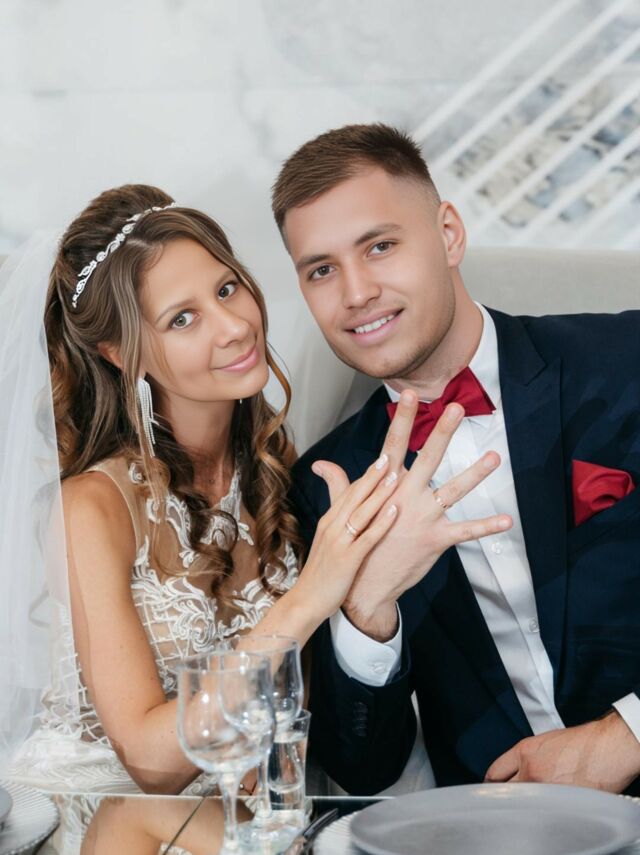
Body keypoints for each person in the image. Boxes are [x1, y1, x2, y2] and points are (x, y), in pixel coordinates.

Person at [0, 184, 506, 795]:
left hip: (255, 815)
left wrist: (367, 600)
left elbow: (311, 724)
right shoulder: (92, 507)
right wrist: (311, 596)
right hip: (115, 816)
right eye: (182, 319)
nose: (235, 327)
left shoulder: (278, 476)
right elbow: (151, 765)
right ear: (119, 355)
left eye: (226, 289)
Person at [271, 123, 640, 796]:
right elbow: (361, 767)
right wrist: (368, 608)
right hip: (493, 828)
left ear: (448, 234)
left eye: (379, 246)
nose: (355, 293)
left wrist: (625, 738)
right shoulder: (326, 487)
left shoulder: (624, 363)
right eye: (321, 270)